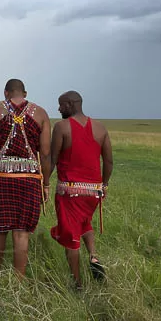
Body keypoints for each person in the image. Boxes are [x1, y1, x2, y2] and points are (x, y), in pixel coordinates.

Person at [0, 78, 51, 278]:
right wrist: (45, 184)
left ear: (5, 93)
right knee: (21, 232)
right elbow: (45, 154)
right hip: (29, 180)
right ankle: (18, 281)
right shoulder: (41, 114)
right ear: (24, 93)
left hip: (0, 177)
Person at [50, 91, 113, 290]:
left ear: (70, 104)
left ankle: (77, 284)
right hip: (93, 192)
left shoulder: (61, 127)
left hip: (69, 192)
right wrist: (104, 185)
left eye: (61, 105)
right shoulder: (100, 128)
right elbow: (109, 161)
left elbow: (52, 159)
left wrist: (42, 183)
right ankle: (94, 256)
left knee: (71, 239)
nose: (59, 109)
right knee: (85, 221)